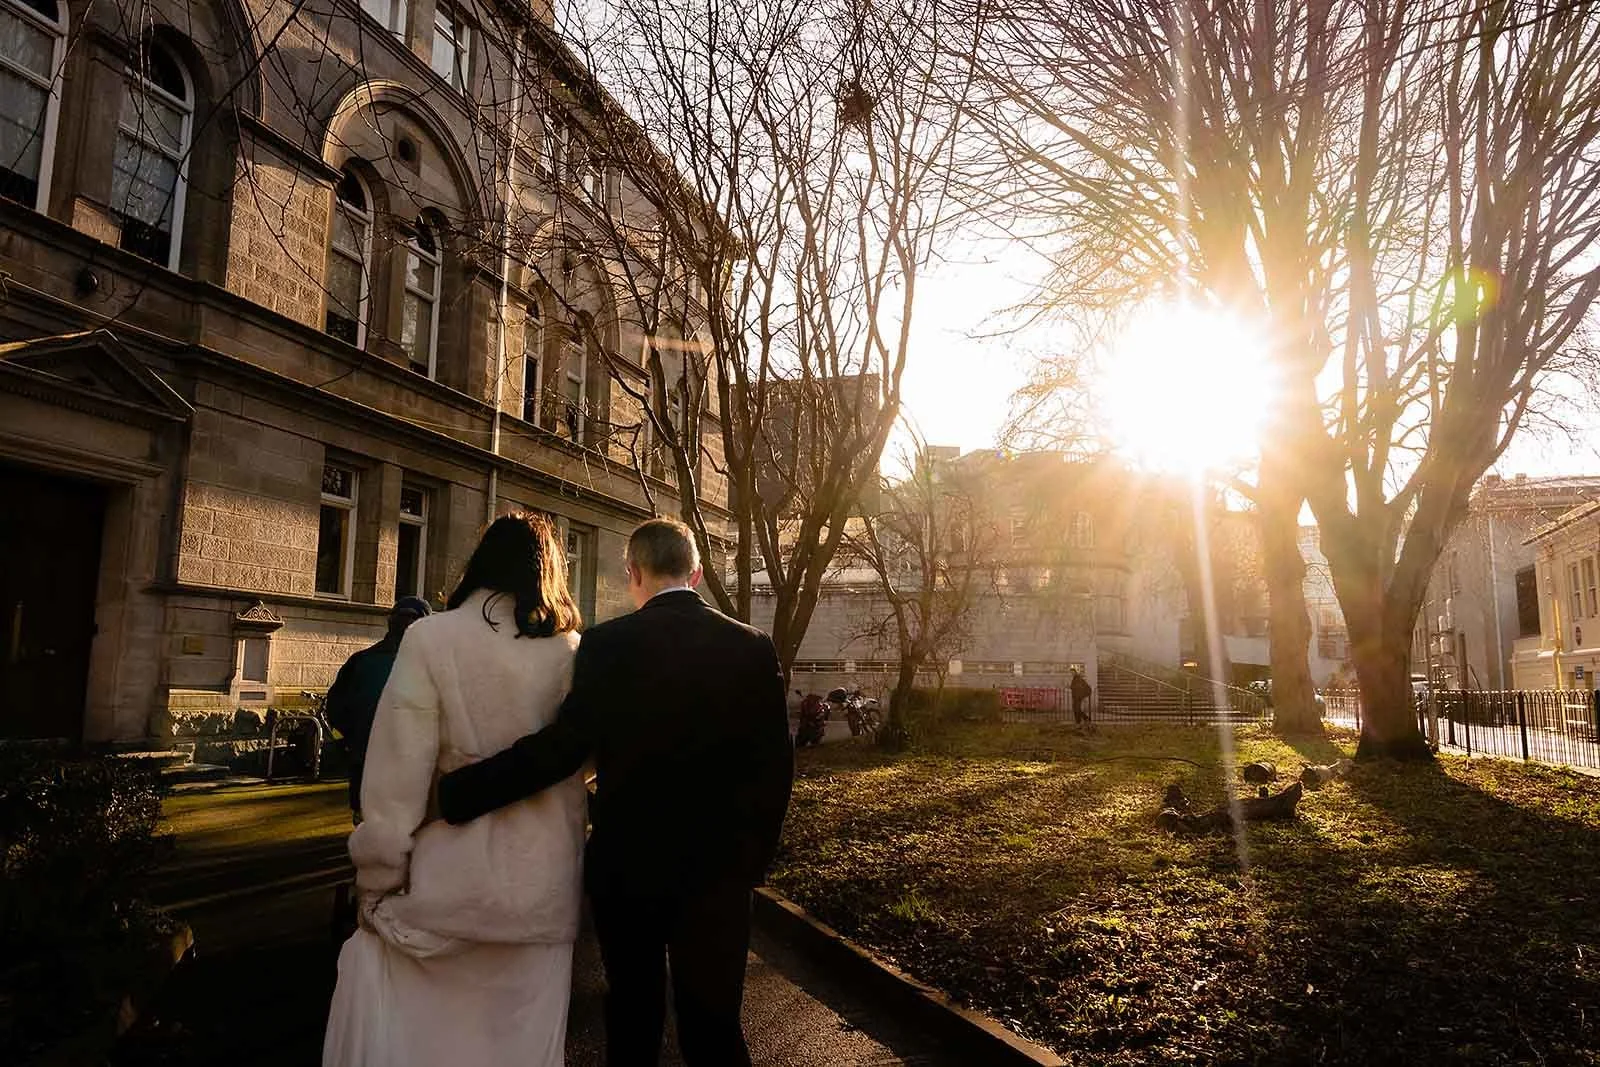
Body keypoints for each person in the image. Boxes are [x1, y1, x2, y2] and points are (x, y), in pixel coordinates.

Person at [437, 517, 794, 1066]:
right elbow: (774, 768)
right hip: (720, 871)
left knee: (633, 1017)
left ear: (633, 573)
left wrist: (460, 793)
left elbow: (562, 749)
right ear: (696, 573)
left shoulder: (607, 645)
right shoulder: (751, 647)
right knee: (715, 1025)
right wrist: (751, 862)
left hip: (630, 867)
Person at [323, 514, 587, 1067]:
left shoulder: (431, 639)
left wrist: (378, 876)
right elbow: (579, 760)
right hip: (541, 890)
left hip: (447, 883)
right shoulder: (570, 653)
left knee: (428, 1043)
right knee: (523, 1048)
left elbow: (399, 767)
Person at [324, 596, 432, 816]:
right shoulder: (430, 667)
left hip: (367, 764)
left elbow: (335, 708)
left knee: (370, 828)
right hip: (409, 769)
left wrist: (348, 741)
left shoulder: (361, 661)